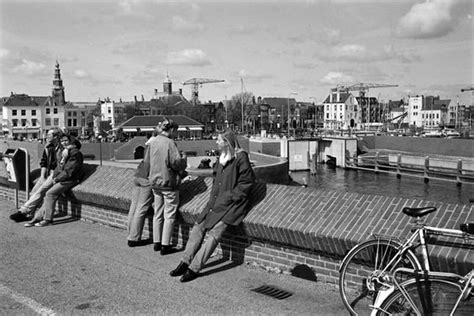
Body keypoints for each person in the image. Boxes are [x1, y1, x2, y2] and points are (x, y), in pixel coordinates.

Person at [170, 130, 255, 282]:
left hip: (232, 206)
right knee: (198, 226)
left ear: (227, 142)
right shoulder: (222, 157)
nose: (216, 142)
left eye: (219, 140)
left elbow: (246, 182)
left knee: (215, 234)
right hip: (215, 203)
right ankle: (185, 261)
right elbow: (216, 177)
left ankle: (195, 268)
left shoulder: (241, 157)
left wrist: (231, 197)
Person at [24, 133, 84, 227]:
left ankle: (48, 220)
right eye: (62, 141)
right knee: (47, 194)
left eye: (66, 141)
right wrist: (54, 177)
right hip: (62, 178)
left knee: (50, 193)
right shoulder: (65, 151)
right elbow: (59, 167)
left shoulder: (75, 153)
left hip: (70, 179)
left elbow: (69, 171)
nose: (64, 143)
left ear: (71, 141)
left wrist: (56, 179)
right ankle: (38, 217)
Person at [146, 118, 187, 255]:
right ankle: (165, 245)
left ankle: (156, 242)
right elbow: (175, 162)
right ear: (172, 129)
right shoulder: (170, 143)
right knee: (169, 215)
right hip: (168, 183)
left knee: (157, 213)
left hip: (155, 182)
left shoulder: (153, 141)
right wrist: (184, 161)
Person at [9, 128, 63, 222]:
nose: (47, 136)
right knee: (34, 192)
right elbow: (44, 162)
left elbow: (61, 165)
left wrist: (54, 176)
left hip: (56, 173)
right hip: (48, 173)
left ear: (56, 136)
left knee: (41, 191)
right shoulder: (48, 147)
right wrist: (42, 176)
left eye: (49, 135)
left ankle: (23, 212)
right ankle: (28, 214)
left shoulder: (62, 148)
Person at [126, 131, 158, 247]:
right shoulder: (156, 146)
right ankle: (134, 239)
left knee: (133, 207)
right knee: (141, 209)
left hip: (138, 175)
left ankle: (130, 234)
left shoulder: (147, 145)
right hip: (146, 178)